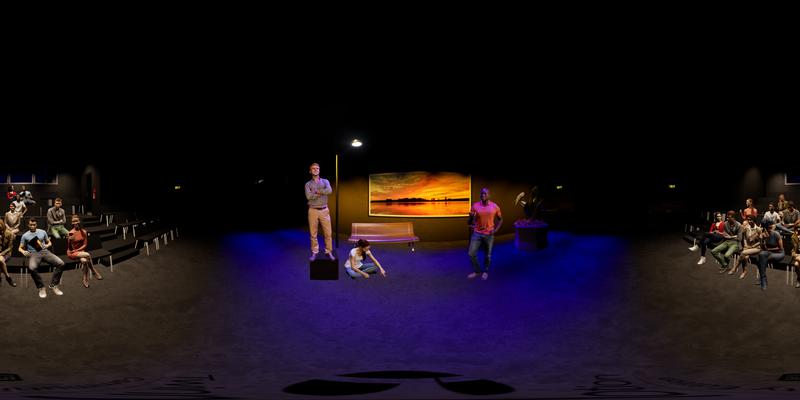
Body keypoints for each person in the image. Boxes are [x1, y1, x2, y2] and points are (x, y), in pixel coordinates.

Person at [19, 218, 65, 298]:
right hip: (34, 253)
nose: (32, 226)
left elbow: (49, 242)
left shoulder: (42, 232)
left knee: (61, 263)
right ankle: (41, 287)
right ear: (28, 225)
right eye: (31, 225)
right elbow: (20, 248)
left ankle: (54, 285)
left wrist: (47, 245)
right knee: (32, 268)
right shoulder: (25, 235)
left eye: (34, 225)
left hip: (45, 251)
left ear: (36, 225)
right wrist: (23, 251)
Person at [467, 187, 503, 280]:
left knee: (488, 255)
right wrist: (471, 217)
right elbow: (469, 222)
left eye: (485, 193)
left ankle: (485, 271)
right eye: (482, 193)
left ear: (489, 195)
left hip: (489, 234)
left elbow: (501, 219)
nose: (483, 195)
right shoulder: (475, 206)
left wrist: (496, 230)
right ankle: (477, 271)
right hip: (477, 233)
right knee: (471, 254)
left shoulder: (495, 206)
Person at [305, 163, 334, 261]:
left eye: (317, 168)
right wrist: (322, 192)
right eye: (313, 168)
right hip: (313, 210)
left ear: (319, 170)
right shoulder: (308, 184)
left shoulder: (325, 181)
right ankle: (315, 252)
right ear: (310, 171)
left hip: (324, 210)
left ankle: (329, 251)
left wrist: (317, 192)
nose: (315, 170)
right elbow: (308, 196)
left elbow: (329, 191)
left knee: (328, 233)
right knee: (313, 234)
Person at [67, 215, 103, 288]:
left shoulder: (84, 232)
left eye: (76, 221)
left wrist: (78, 250)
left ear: (79, 221)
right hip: (72, 252)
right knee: (87, 255)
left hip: (80, 251)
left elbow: (85, 245)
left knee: (84, 261)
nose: (75, 223)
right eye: (73, 221)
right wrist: (69, 241)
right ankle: (93, 270)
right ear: (72, 223)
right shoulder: (70, 233)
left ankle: (85, 278)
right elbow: (70, 249)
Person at [756, 222, 784, 291]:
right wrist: (762, 239)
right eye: (767, 228)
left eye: (770, 228)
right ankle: (763, 278)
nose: (769, 229)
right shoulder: (763, 235)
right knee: (761, 256)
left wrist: (769, 249)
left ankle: (763, 279)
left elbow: (780, 248)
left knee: (760, 258)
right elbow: (762, 248)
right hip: (768, 253)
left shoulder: (776, 234)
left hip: (778, 253)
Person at [0, 219, 17, 287]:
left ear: (3, 226)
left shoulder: (10, 233)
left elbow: (10, 247)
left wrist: (1, 253)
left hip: (6, 253)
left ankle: (8, 277)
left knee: (0, 260)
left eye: (0, 227)